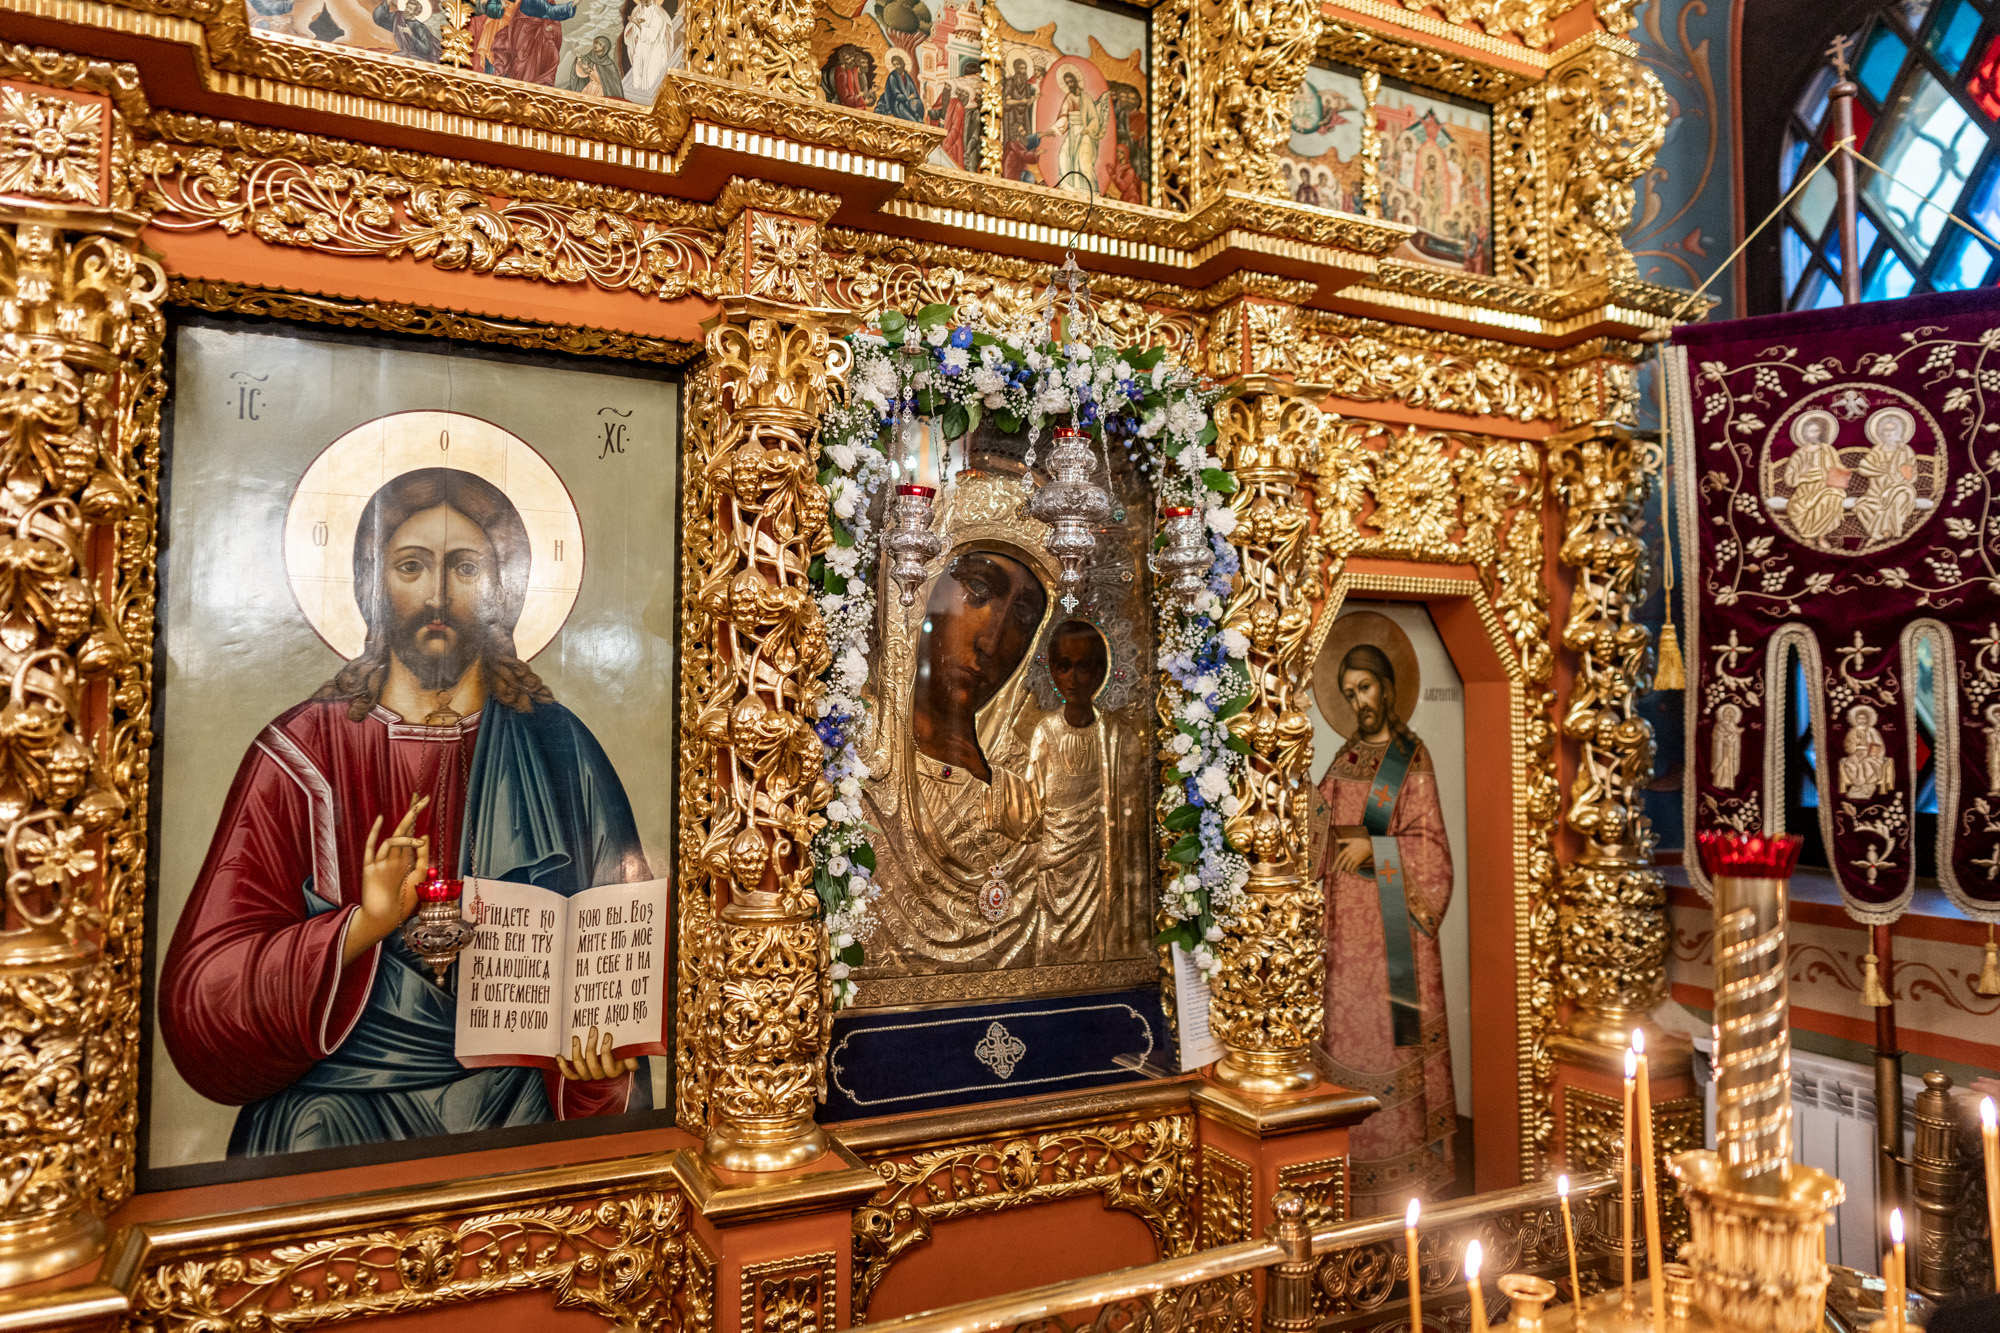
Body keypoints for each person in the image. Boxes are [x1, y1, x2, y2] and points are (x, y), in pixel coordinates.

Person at [160, 468, 651, 1157]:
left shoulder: (561, 751)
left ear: (505, 589)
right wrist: (363, 926)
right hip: (335, 1119)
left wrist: (600, 1068)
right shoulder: (302, 755)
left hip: (519, 1116)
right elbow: (202, 1001)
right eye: (412, 566)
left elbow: (619, 962)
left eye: (466, 568)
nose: (438, 595)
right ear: (372, 584)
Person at [1317, 642, 1456, 1215]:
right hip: (1343, 941)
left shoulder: (1410, 759)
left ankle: (1404, 1190)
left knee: (1392, 1045)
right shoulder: (1346, 758)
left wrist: (1376, 849)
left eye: (1366, 688)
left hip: (1392, 935)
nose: (1360, 702)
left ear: (1389, 687)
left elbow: (1432, 854)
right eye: (1349, 693)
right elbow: (1318, 825)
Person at [862, 548, 1050, 972]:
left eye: (1022, 614)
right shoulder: (855, 752)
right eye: (978, 588)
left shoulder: (1019, 788)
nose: (991, 641)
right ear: (921, 592)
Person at [1007, 621, 1144, 964]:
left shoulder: (1119, 737)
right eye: (1064, 666)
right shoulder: (1045, 732)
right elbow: (1031, 808)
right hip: (1054, 872)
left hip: (1102, 873)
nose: (1072, 678)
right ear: (1052, 670)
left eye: (1083, 667)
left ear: (1100, 671)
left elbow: (1132, 828)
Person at [1783, 412, 1852, 544]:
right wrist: (1801, 473)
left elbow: (1838, 467)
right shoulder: (1799, 454)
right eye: (1810, 431)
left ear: (1820, 432)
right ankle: (1809, 536)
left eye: (1816, 431)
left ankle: (1821, 536)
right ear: (1804, 434)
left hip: (1826, 486)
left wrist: (1843, 473)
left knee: (1833, 496)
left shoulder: (1828, 450)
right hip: (1806, 490)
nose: (1814, 434)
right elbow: (1789, 480)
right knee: (1807, 503)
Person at [471, 0, 579, 84]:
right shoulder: (531, 2)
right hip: (500, 28)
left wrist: (549, 27)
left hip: (520, 34)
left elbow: (550, 15)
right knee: (497, 64)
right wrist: (500, 7)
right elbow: (549, 10)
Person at [1855, 408, 1920, 545]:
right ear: (1881, 432)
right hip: (1876, 491)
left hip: (1900, 488)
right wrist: (1880, 470)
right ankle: (1879, 534)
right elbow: (1863, 468)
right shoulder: (1877, 450)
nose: (1889, 433)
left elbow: (1910, 476)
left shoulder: (1905, 451)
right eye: (1886, 430)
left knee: (1897, 499)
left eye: (1893, 430)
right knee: (1861, 507)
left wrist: (1897, 474)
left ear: (1899, 432)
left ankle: (1883, 534)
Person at [619, 0, 678, 106]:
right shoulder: (638, 10)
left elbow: (652, 35)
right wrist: (634, 26)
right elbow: (634, 32)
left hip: (654, 50)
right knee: (637, 72)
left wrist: (639, 26)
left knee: (650, 76)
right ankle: (635, 104)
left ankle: (649, 105)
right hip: (641, 47)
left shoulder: (658, 13)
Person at [1839, 704, 1892, 800]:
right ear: (1855, 720)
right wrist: (1854, 744)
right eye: (1859, 718)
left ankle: (1864, 788)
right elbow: (1847, 746)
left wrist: (1873, 754)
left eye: (1864, 718)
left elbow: (1879, 745)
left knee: (1865, 763)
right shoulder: (1852, 731)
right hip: (1855, 754)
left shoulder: (1872, 731)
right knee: (1850, 764)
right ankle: (1858, 785)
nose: (1861, 720)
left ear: (1867, 720)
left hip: (1871, 755)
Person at [372, 0, 442, 60]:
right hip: (405, 54)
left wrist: (410, 34)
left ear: (416, 12)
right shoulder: (398, 17)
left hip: (418, 57)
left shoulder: (420, 27)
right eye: (407, 7)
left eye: (410, 9)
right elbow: (379, 19)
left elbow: (426, 50)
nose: (407, 10)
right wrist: (387, 2)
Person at [560, 34, 624, 98]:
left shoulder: (609, 64)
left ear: (605, 48)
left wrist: (590, 70)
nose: (596, 45)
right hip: (589, 87)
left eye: (600, 44)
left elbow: (606, 82)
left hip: (601, 91)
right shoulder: (588, 58)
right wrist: (579, 58)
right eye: (596, 43)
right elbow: (582, 74)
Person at [875, 53, 925, 122]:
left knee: (918, 102)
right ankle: (914, 120)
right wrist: (907, 98)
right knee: (902, 107)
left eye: (898, 64)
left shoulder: (906, 76)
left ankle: (918, 116)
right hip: (897, 102)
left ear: (902, 64)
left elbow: (913, 90)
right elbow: (896, 93)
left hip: (909, 100)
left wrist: (913, 97)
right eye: (894, 65)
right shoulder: (893, 76)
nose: (896, 66)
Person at [1712, 702, 1743, 789]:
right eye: (1727, 715)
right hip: (1723, 748)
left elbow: (1735, 737)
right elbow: (1717, 736)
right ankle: (1719, 782)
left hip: (1731, 748)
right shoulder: (1719, 725)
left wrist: (1735, 733)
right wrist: (1733, 733)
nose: (1728, 717)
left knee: (1730, 764)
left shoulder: (1733, 726)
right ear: (1723, 715)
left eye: (1731, 715)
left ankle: (1729, 784)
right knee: (1724, 762)